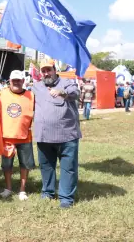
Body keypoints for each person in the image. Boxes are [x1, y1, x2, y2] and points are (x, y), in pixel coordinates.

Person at [32, 59, 81, 208]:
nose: (46, 73)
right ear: (40, 73)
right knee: (46, 166)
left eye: (49, 70)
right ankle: (48, 192)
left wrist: (62, 92)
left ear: (55, 70)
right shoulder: (36, 86)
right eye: (44, 71)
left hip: (67, 135)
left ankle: (66, 198)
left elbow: (76, 93)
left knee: (68, 167)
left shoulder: (67, 82)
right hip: (43, 135)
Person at [0, 70, 35, 201]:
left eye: (19, 80)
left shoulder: (31, 95)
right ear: (9, 81)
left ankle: (22, 190)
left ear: (23, 81)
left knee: (25, 165)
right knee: (7, 165)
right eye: (14, 80)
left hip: (25, 136)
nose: (16, 82)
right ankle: (8, 188)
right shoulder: (1, 93)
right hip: (7, 136)